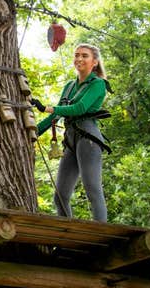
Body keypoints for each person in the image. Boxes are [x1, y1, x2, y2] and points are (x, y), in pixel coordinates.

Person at [33, 43, 110, 222]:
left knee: (92, 189)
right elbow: (59, 113)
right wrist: (35, 131)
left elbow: (80, 108)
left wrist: (46, 108)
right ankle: (67, 231)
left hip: (88, 138)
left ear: (95, 62)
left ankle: (100, 234)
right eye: (77, 55)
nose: (79, 59)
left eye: (84, 55)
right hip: (70, 140)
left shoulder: (98, 84)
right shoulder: (69, 86)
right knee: (60, 196)